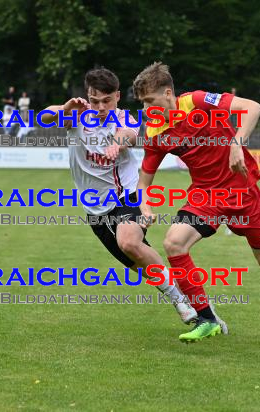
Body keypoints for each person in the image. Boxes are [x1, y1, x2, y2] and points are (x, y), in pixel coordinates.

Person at [132, 62, 260, 343]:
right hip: (206, 196)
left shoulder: (196, 101)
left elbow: (253, 107)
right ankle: (207, 318)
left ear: (168, 93)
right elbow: (143, 184)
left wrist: (236, 142)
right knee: (174, 243)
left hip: (244, 193)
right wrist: (145, 206)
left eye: (150, 101)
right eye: (143, 104)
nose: (148, 109)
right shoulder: (155, 131)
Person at [41, 68, 228, 328]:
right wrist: (64, 108)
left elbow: (128, 134)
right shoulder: (76, 114)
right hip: (95, 209)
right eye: (95, 101)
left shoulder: (124, 117)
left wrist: (116, 143)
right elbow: (45, 117)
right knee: (139, 263)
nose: (100, 107)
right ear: (88, 96)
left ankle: (182, 302)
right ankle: (191, 298)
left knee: (128, 242)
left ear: (117, 96)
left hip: (126, 196)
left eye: (107, 100)